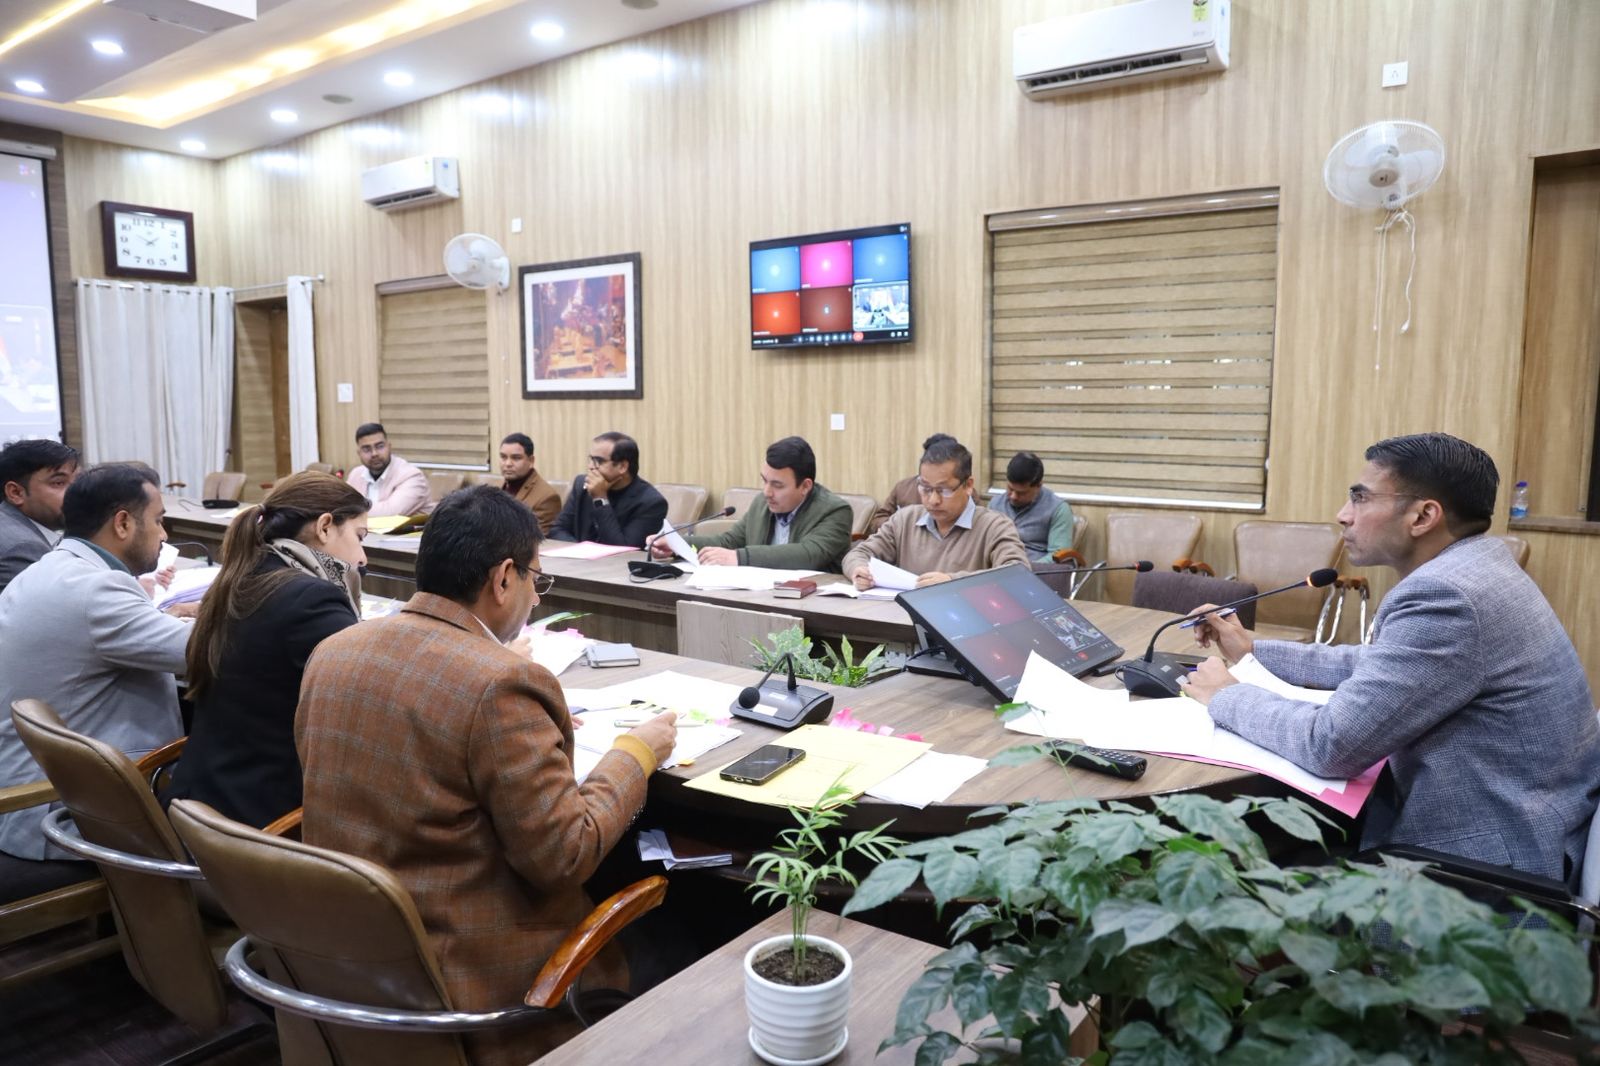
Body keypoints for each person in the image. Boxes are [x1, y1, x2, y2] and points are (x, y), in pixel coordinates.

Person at [295, 486, 676, 1066]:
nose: (536, 597)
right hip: (475, 983)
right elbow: (565, 855)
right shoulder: (501, 685)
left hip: (350, 963)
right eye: (535, 580)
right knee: (684, 937)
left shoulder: (333, 651)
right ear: (503, 579)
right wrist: (635, 753)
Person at [1181, 433, 1600, 885]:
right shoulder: (1479, 567)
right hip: (1526, 829)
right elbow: (1382, 664)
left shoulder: (1448, 595)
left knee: (1222, 867)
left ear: (1423, 516)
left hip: (1481, 874)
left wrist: (1226, 697)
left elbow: (1331, 746)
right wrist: (1253, 650)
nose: (1343, 515)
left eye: (1360, 498)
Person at [0, 463, 191, 898]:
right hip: (64, 813)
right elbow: (202, 652)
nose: (164, 536)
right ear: (123, 523)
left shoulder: (53, 568)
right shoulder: (96, 588)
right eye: (159, 520)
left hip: (35, 792)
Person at [161, 473, 368, 829]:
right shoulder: (310, 599)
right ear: (324, 527)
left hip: (205, 799)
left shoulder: (245, 575)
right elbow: (369, 692)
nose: (362, 558)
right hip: (263, 819)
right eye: (359, 536)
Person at [843, 437, 1029, 589]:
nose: (933, 500)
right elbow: (858, 553)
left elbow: (1017, 573)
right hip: (899, 619)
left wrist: (952, 581)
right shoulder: (905, 519)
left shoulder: (994, 526)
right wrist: (858, 570)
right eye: (925, 488)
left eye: (944, 490)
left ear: (968, 485)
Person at [647, 436, 852, 571]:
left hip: (814, 606)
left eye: (777, 485)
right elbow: (729, 542)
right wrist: (677, 544)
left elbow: (808, 555)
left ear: (805, 486)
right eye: (765, 481)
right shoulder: (762, 503)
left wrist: (739, 557)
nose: (767, 492)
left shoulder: (835, 511)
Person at [548, 431, 668, 548]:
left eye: (598, 461)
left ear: (622, 466)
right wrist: (581, 550)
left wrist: (600, 499)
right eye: (591, 459)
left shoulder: (651, 503)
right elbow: (557, 530)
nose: (591, 467)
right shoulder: (581, 484)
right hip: (577, 559)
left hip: (618, 562)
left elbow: (624, 550)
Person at [0, 438, 78, 593]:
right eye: (59, 483)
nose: (76, 492)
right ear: (16, 493)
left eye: (77, 482)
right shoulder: (22, 547)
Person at [990, 451, 1075, 563]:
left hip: (1036, 569)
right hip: (998, 566)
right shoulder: (995, 504)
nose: (1013, 496)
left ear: (1038, 486)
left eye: (1021, 493)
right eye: (1010, 489)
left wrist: (1026, 568)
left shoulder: (1058, 509)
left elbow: (1059, 555)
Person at [866, 432, 954, 535]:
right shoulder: (902, 487)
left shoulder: (961, 491)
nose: (934, 500)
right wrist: (900, 526)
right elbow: (878, 519)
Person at [346, 422, 429, 517]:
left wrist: (349, 510)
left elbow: (390, 513)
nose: (374, 454)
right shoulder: (355, 474)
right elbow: (340, 503)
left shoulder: (411, 475)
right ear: (359, 453)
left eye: (380, 446)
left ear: (389, 446)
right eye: (367, 449)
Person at [499, 431, 561, 534]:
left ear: (531, 461)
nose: (508, 463)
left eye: (516, 458)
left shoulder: (547, 498)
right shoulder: (495, 487)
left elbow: (536, 539)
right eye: (503, 457)